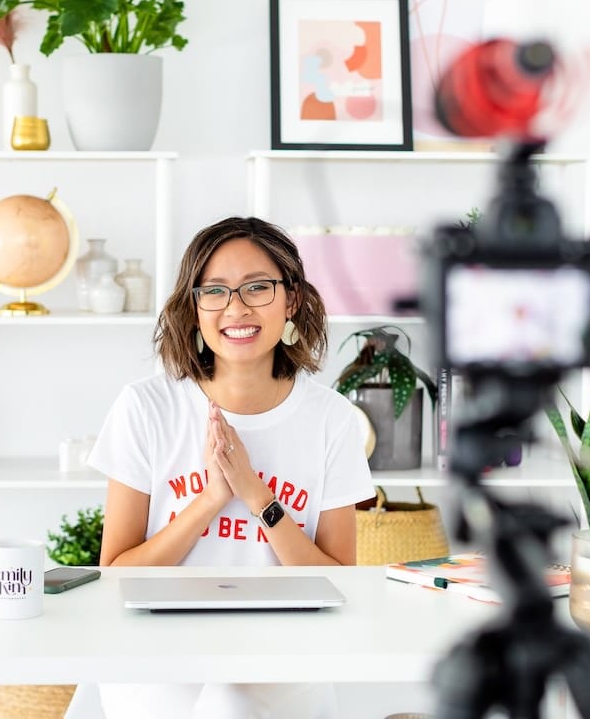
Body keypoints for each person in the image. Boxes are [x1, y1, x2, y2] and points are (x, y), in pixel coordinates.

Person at [87, 216, 375, 719]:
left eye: (257, 288)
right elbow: (115, 575)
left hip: (284, 653)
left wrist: (257, 495)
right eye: (215, 291)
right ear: (194, 306)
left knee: (234, 705)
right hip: (159, 651)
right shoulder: (146, 408)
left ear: (292, 299)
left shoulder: (332, 419)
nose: (236, 308)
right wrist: (211, 499)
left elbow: (339, 582)